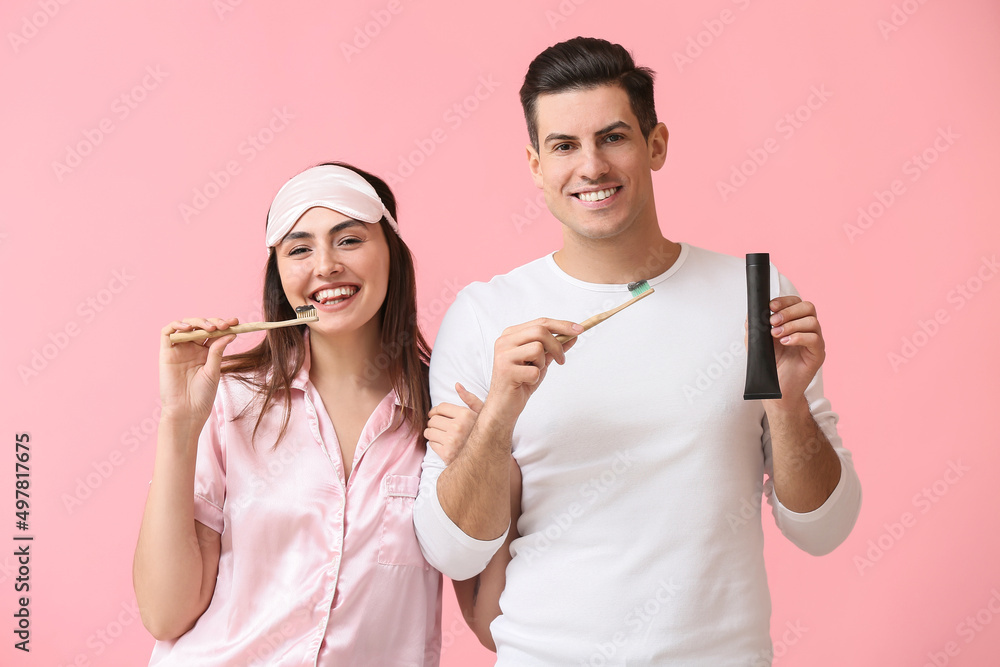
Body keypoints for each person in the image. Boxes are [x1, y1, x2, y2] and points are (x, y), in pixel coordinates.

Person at [413, 37, 863, 665]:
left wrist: (786, 404)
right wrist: (498, 416)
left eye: (613, 137)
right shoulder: (486, 313)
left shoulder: (752, 294)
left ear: (656, 145)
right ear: (536, 164)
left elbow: (824, 529)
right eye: (564, 146)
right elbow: (452, 551)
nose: (591, 166)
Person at [133, 162, 478, 666]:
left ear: (393, 254)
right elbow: (166, 615)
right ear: (279, 274)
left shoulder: (445, 413)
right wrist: (179, 425)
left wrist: (487, 460)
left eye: (349, 240)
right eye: (299, 249)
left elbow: (489, 618)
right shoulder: (228, 400)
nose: (325, 266)